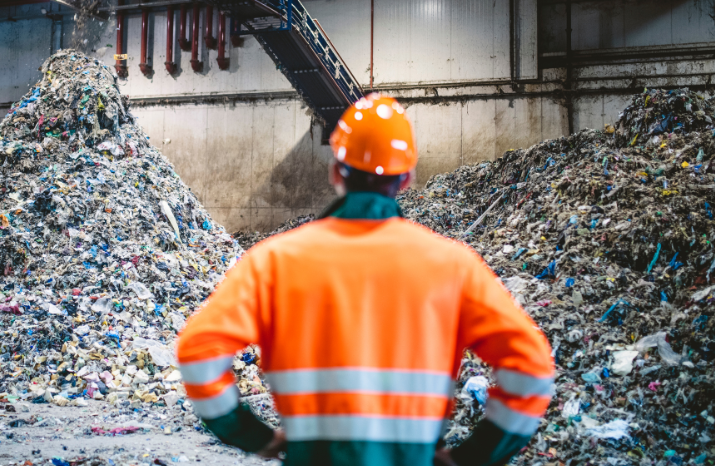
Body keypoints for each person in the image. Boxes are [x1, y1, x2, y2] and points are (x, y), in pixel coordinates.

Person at [176, 94, 555, 466]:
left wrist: (253, 436)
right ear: (406, 179)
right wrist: (473, 456)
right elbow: (532, 369)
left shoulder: (274, 261)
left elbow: (198, 353)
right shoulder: (453, 265)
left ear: (335, 171)